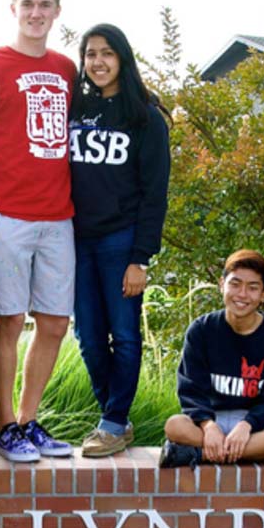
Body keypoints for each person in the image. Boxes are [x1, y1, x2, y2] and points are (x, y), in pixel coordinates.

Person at [0, 0, 78, 463]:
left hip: (58, 216)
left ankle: (31, 422)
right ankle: (7, 425)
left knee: (53, 324)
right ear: (14, 9)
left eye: (45, 4)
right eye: (27, 4)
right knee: (9, 320)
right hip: (6, 214)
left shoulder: (67, 69)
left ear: (56, 11)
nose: (36, 13)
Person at [69, 23, 171, 457]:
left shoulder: (144, 117)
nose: (98, 62)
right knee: (88, 337)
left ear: (123, 59)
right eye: (90, 54)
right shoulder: (74, 109)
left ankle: (111, 423)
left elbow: (155, 194)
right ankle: (117, 417)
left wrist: (140, 258)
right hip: (74, 240)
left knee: (125, 335)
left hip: (121, 239)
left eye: (107, 53)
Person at [159, 250, 264, 468]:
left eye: (252, 287)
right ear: (221, 284)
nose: (242, 294)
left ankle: (198, 455)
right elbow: (191, 390)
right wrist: (208, 426)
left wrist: (247, 425)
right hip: (210, 419)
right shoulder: (201, 330)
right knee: (174, 426)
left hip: (254, 424)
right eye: (235, 284)